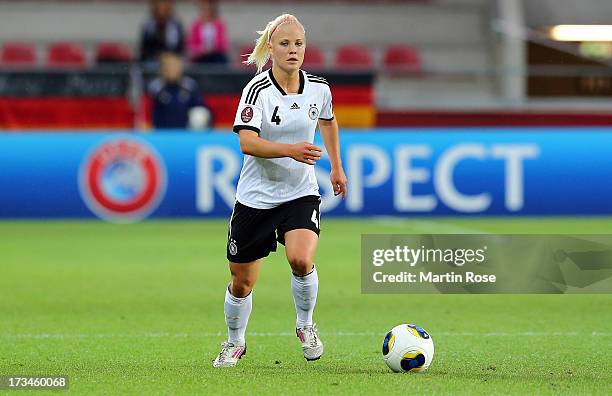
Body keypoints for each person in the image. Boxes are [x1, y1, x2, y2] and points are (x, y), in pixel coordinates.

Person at [212, 14, 347, 368]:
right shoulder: (257, 90)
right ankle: (234, 341)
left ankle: (306, 325)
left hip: (300, 192)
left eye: (298, 44)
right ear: (270, 48)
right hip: (256, 198)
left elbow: (328, 121)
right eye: (285, 43)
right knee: (242, 283)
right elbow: (247, 142)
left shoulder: (319, 88)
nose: (292, 50)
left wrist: (336, 166)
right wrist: (291, 150)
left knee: (302, 260)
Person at [148, 52, 211, 129]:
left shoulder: (189, 86)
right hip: (161, 133)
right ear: (162, 69)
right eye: (169, 66)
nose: (172, 69)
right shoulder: (155, 88)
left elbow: (201, 108)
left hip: (185, 134)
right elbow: (147, 114)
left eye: (175, 65)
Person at [187, 0, 229, 65]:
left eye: (208, 8)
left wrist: (213, 48)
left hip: (216, 55)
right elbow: (192, 44)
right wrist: (201, 50)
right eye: (204, 8)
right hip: (200, 56)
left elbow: (223, 44)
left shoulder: (219, 24)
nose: (206, 11)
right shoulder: (196, 25)